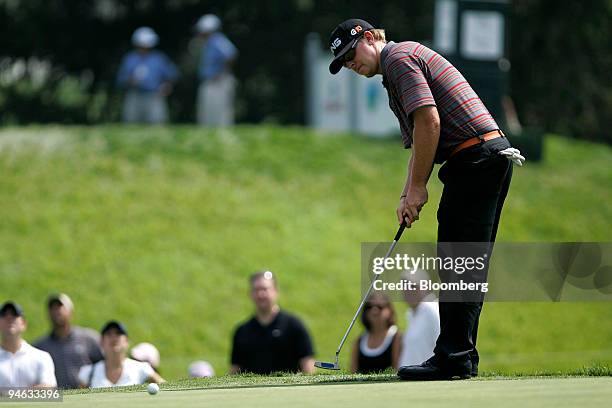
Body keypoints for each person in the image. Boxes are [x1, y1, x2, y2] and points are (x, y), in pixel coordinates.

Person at [328, 19, 523, 380]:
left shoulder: (399, 58)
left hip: (475, 158)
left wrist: (419, 187)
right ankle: (459, 356)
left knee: (458, 263)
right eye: (343, 63)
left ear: (369, 38)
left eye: (351, 54)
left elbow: (429, 121)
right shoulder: (395, 71)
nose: (351, 65)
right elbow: (421, 142)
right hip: (483, 158)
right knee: (464, 265)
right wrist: (408, 192)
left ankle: (454, 358)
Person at [230, 271, 315, 374]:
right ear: (250, 294)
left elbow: (307, 364)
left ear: (275, 291)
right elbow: (235, 370)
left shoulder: (294, 326)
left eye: (265, 289)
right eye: (256, 290)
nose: (261, 294)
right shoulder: (242, 331)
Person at [34, 293, 103, 389]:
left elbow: (105, 364)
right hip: (57, 400)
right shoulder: (41, 347)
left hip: (86, 398)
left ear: (71, 312)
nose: (57, 311)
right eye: (53, 308)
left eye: (60, 307)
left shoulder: (89, 338)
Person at [116, 26, 179, 124]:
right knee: (130, 124)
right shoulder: (130, 58)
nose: (144, 47)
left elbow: (172, 75)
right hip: (134, 95)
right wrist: (129, 81)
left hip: (154, 95)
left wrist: (167, 86)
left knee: (157, 123)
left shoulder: (159, 58)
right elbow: (120, 79)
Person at [77, 321, 164, 388]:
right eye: (108, 334)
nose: (114, 338)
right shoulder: (88, 372)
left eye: (118, 333)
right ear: (102, 342)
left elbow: (165, 387)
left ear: (126, 342)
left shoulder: (141, 368)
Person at [194, 14, 238, 126]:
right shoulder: (208, 43)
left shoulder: (218, 40)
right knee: (208, 112)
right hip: (210, 81)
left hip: (219, 81)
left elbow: (231, 55)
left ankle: (223, 134)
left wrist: (220, 73)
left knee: (220, 113)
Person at [0, 301, 57, 387]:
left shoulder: (41, 357)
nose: (9, 318)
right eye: (4, 315)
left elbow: (49, 388)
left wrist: (6, 394)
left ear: (23, 323)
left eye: (14, 315)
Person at [350, 294, 401, 374]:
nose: (374, 310)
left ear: (389, 311)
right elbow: (352, 373)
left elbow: (398, 370)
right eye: (369, 307)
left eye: (380, 307)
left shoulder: (397, 338)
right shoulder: (359, 341)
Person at [398, 270, 440, 367]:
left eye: (413, 286)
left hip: (426, 378)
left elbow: (443, 348)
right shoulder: (411, 314)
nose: (408, 291)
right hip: (412, 377)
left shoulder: (432, 310)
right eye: (404, 287)